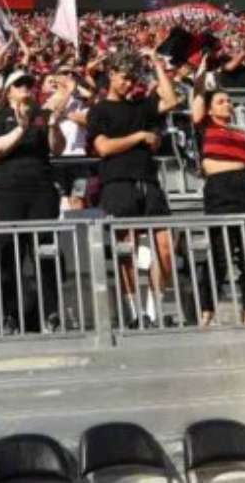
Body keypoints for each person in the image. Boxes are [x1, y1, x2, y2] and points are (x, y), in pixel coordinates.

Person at [86, 51, 180, 328]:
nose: (129, 84)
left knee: (165, 248)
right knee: (126, 250)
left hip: (148, 182)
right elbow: (103, 147)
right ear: (111, 75)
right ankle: (133, 313)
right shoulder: (99, 110)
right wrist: (139, 136)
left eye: (132, 79)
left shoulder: (140, 106)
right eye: (124, 78)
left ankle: (153, 312)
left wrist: (157, 64)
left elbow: (171, 100)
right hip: (117, 183)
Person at [0, 70, 68, 333]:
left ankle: (51, 313)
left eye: (28, 84)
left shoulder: (43, 115)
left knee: (45, 252)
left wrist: (53, 126)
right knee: (9, 254)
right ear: (8, 91)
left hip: (41, 190)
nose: (25, 88)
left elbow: (58, 149)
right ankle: (9, 315)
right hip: (9, 191)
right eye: (19, 84)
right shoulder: (0, 116)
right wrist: (21, 128)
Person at [190, 90, 245, 326]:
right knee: (219, 255)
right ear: (210, 109)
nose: (227, 104)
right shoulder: (204, 128)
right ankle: (206, 311)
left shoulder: (243, 134)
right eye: (220, 101)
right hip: (220, 192)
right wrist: (204, 76)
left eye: (229, 101)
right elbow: (197, 103)